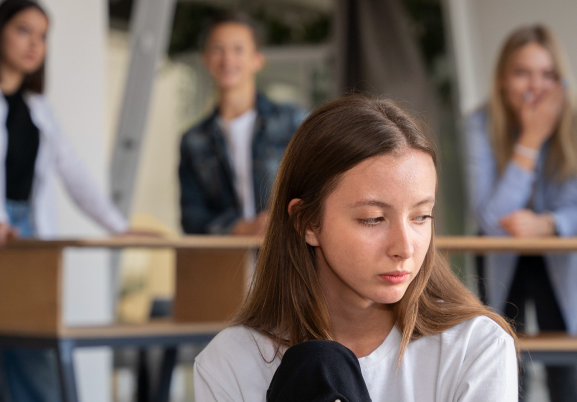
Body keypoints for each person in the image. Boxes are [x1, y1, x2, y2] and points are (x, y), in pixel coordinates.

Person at [193, 95, 518, 401]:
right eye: (373, 219)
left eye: (421, 216)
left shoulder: (476, 348)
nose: (404, 248)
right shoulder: (230, 363)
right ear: (306, 222)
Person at [0, 1, 133, 401]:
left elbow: (73, 171)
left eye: (42, 36)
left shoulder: (39, 110)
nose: (34, 44)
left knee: (37, 368)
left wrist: (118, 226)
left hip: (27, 241)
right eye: (23, 30)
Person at [463, 24, 577, 402]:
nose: (535, 85)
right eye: (522, 72)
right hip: (501, 255)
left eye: (547, 74)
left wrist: (545, 224)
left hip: (561, 251)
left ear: (561, 81)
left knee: (564, 364)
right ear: (503, 79)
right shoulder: (479, 125)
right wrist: (530, 140)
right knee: (505, 359)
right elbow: (491, 219)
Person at [179, 11, 305, 235]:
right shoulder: (194, 140)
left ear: (257, 60)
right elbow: (191, 217)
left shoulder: (292, 122)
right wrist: (240, 227)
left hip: (288, 255)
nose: (227, 60)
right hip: (228, 263)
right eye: (218, 49)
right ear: (205, 59)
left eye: (238, 49)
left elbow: (320, 189)